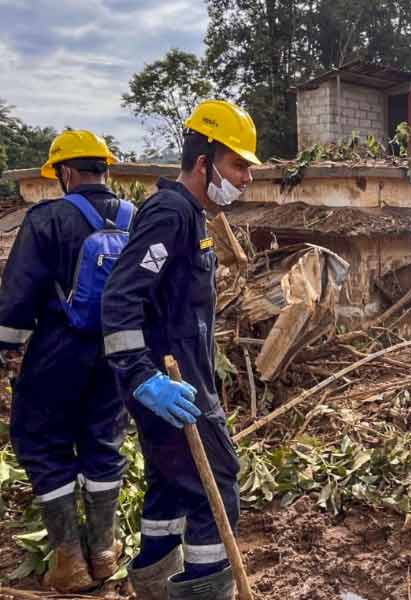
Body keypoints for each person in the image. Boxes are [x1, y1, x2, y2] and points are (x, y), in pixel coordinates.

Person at [102, 100, 260, 600]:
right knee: (217, 485)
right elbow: (120, 297)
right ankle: (203, 592)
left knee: (170, 486)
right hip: (168, 387)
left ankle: (153, 586)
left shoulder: (191, 216)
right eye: (238, 165)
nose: (247, 178)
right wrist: (142, 378)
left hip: (178, 384)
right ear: (203, 163)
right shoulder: (170, 213)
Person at [0, 131, 131, 591]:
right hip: (119, 353)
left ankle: (70, 560)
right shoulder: (135, 220)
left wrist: (7, 347)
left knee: (40, 440)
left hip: (58, 351)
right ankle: (104, 549)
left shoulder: (48, 219)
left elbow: (19, 294)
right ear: (106, 170)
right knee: (103, 440)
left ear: (66, 172)